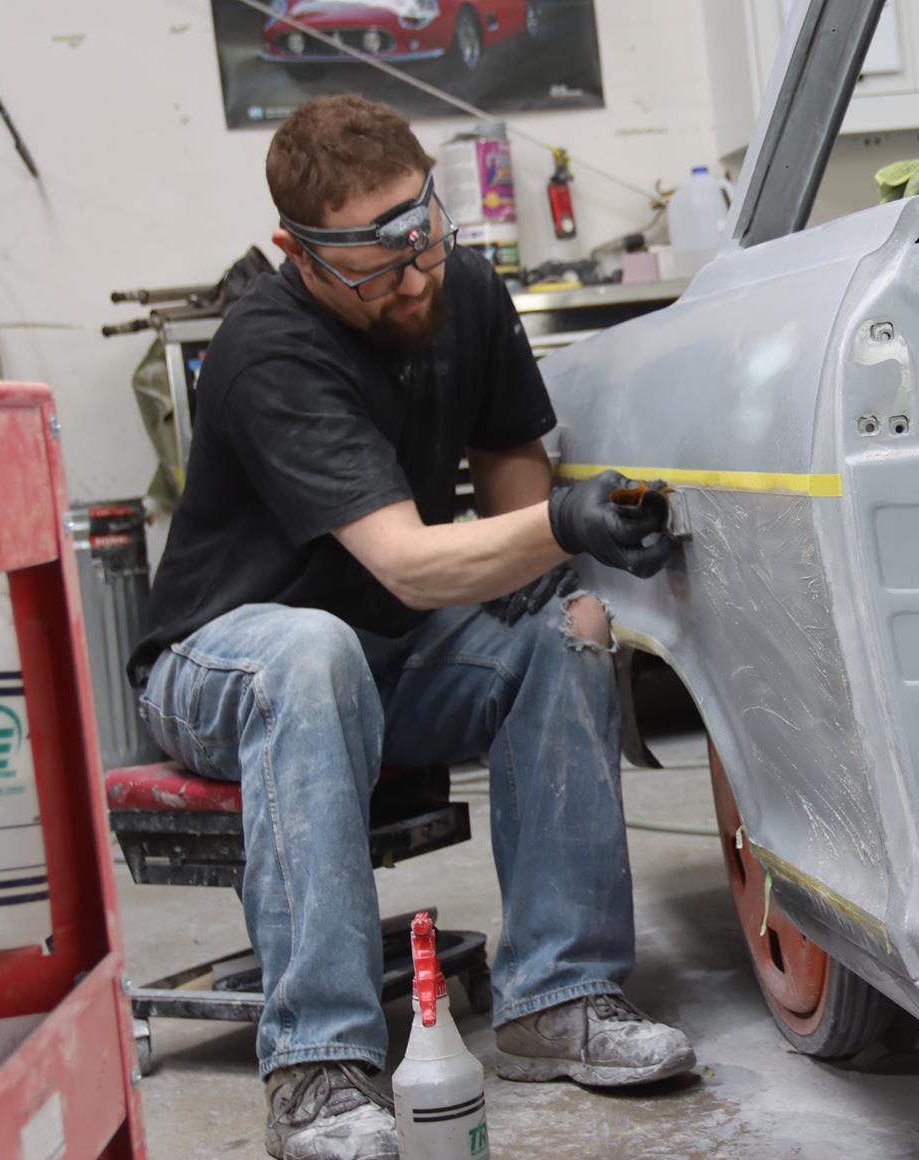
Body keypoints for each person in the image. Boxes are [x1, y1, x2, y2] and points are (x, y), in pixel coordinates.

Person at [129, 93, 691, 1160]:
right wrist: (561, 521)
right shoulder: (267, 351)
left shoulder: (461, 285)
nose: (416, 276)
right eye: (376, 266)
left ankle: (558, 997)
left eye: (423, 238)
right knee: (312, 650)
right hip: (225, 660)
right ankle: (320, 1068)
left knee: (567, 621)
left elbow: (512, 467)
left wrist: (547, 556)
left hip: (386, 649)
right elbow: (406, 560)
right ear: (297, 251)